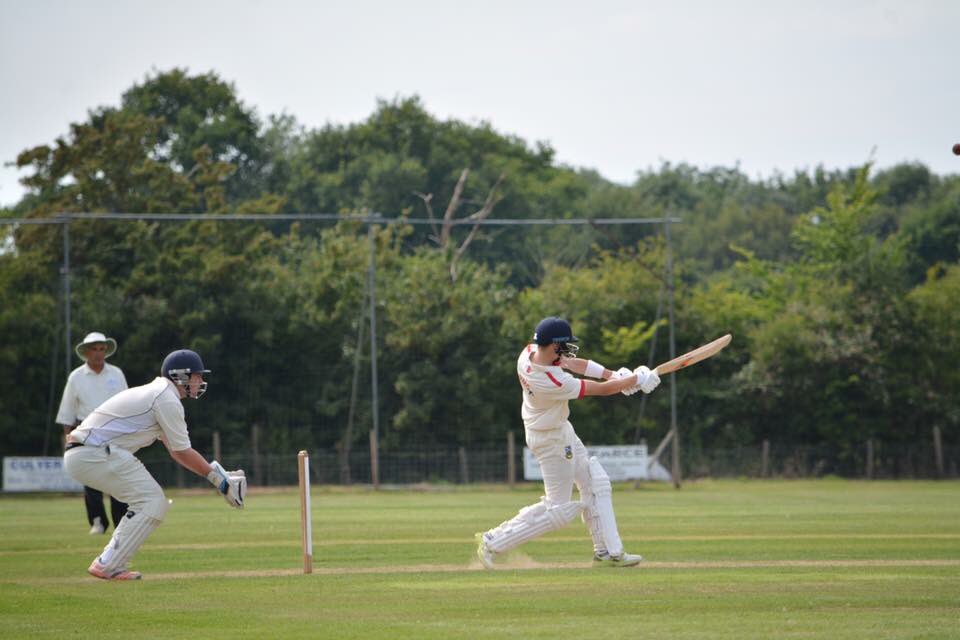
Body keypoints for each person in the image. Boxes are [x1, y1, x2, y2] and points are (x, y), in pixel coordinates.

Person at [476, 316, 661, 569]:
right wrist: (635, 380)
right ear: (554, 346)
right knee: (559, 509)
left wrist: (614, 374)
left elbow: (575, 363)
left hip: (559, 429)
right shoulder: (553, 381)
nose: (567, 350)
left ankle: (606, 552)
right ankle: (493, 541)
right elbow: (602, 390)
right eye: (563, 345)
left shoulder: (528, 353)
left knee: (595, 483)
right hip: (550, 440)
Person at [63, 349, 246, 580]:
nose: (200, 381)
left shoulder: (159, 394)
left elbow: (177, 452)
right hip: (92, 451)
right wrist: (220, 482)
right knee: (152, 501)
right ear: (181, 375)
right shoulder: (165, 398)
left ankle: (110, 563)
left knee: (149, 501)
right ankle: (107, 563)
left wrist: (218, 476)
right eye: (197, 375)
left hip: (85, 453)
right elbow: (183, 451)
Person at [56, 331, 130, 534]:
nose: (98, 353)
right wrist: (68, 439)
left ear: (106, 351)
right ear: (86, 352)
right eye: (94, 349)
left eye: (101, 349)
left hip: (114, 430)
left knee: (117, 475)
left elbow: (128, 403)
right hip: (86, 430)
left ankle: (121, 522)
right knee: (91, 477)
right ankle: (98, 522)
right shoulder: (76, 377)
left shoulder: (116, 374)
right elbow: (67, 412)